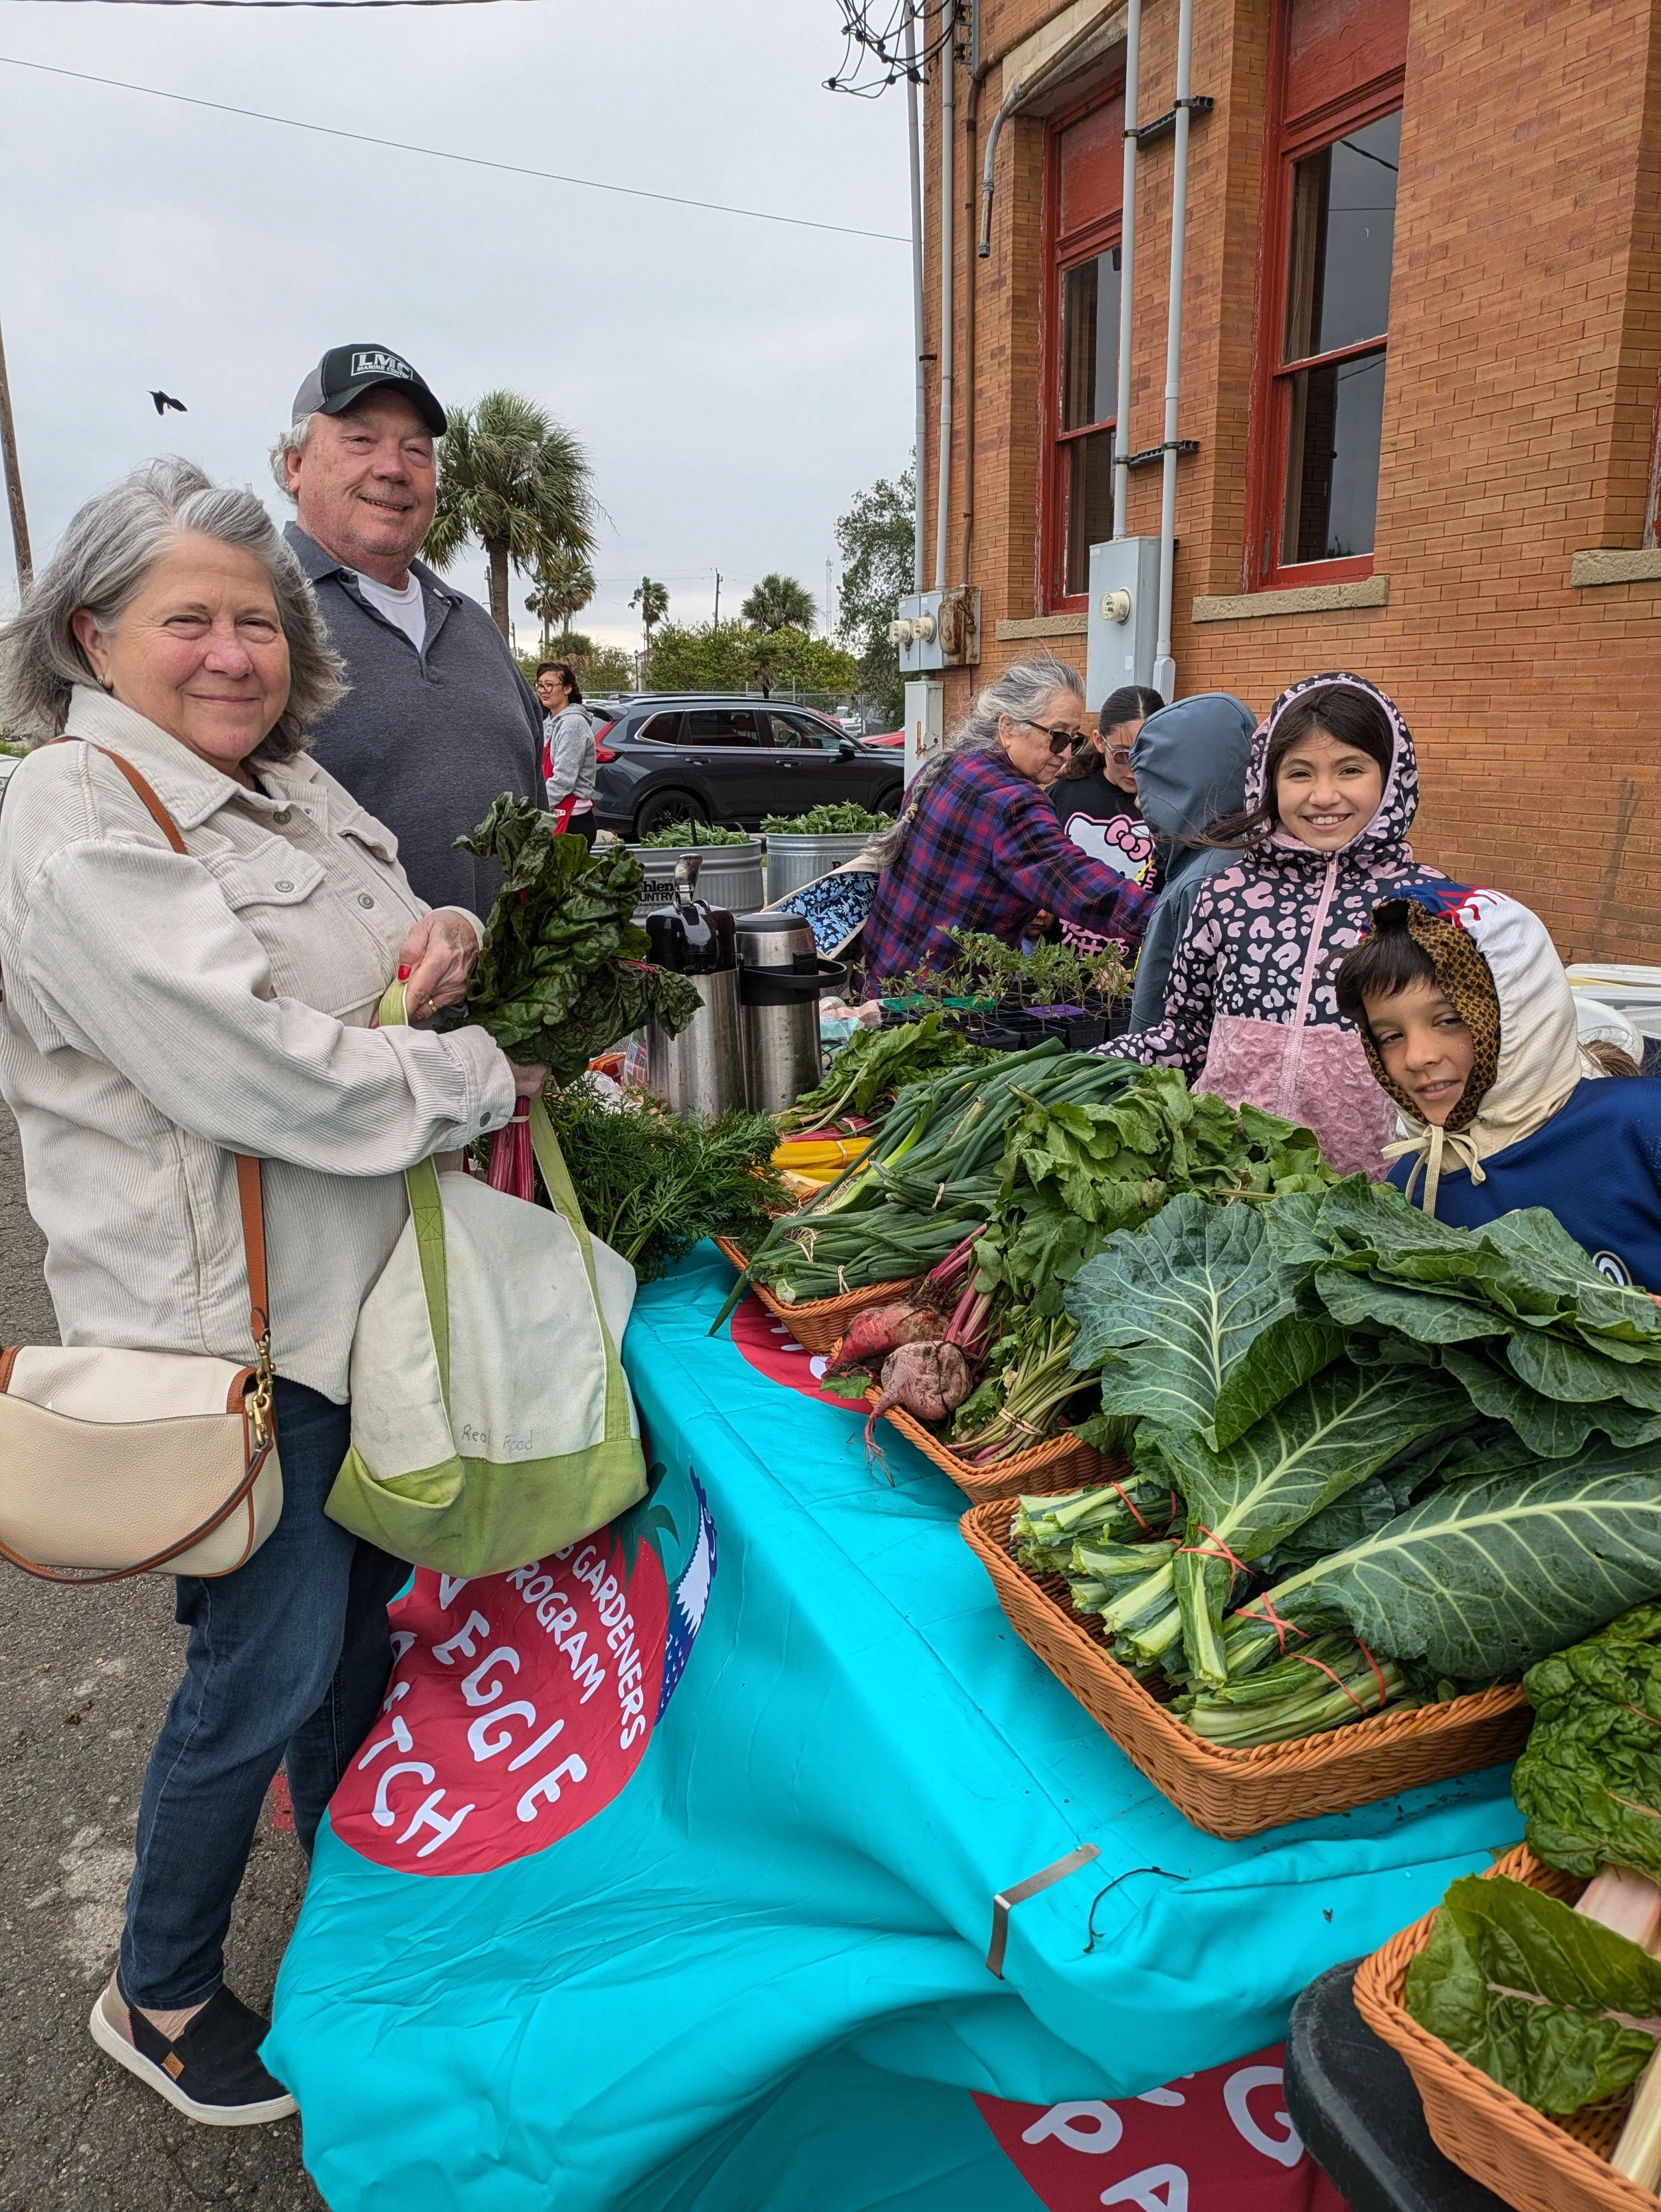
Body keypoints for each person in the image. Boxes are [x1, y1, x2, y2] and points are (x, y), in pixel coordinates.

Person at [0, 460, 541, 2124]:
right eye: (190, 619)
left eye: (257, 619)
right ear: (92, 634)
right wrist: (476, 1070)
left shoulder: (284, 783)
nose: (233, 652)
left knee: (351, 1637)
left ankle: (352, 1890)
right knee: (264, 1665)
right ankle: (157, 1987)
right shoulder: (81, 817)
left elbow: (376, 938)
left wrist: (439, 937)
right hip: (237, 1332)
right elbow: (255, 1068)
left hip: (355, 1300)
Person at [1108, 672, 1441, 1178]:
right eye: (1300, 773)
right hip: (1229, 1181)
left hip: (1370, 1192)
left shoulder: (1429, 906)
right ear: (1267, 780)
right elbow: (1184, 1037)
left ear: (1393, 775)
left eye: (1350, 769)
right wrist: (1088, 1068)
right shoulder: (1225, 896)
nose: (1324, 795)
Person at [271, 343, 545, 912]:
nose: (394, 468)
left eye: (416, 449)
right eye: (360, 440)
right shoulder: (252, 618)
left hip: (506, 972)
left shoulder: (474, 627)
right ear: (295, 466)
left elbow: (536, 830)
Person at [1334, 886, 1661, 1283]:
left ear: (1517, 1013)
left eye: (1449, 1020)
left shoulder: (1641, 1125)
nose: (1416, 1058)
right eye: (1390, 1037)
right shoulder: (1411, 1188)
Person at [860, 658, 1156, 982]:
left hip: (880, 973)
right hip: (935, 996)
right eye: (1057, 737)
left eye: (1074, 739)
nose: (1067, 753)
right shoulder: (1014, 801)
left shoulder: (949, 764)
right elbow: (1078, 884)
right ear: (1007, 727)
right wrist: (1171, 923)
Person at [1125, 692, 1256, 1029]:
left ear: (1189, 788)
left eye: (1154, 787)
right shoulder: (1246, 854)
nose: (1140, 803)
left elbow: (1163, 1016)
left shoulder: (1202, 880)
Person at [1052, 683, 1165, 880]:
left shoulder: (1178, 801)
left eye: (1148, 754)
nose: (1134, 767)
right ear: (1099, 742)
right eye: (1122, 754)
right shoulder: (1063, 795)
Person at [537, 658, 597, 845]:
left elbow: (564, 780)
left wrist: (534, 808)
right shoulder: (549, 722)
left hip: (572, 822)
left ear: (567, 689)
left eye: (549, 685)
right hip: (554, 815)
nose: (543, 691)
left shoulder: (572, 724)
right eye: (540, 685)